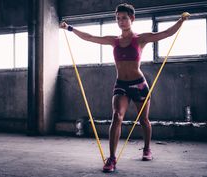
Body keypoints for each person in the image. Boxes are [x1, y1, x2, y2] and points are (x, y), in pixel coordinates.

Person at [60, 3, 189, 173]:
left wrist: (181, 21)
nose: (121, 21)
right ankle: (112, 159)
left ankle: (147, 149)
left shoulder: (140, 39)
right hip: (121, 84)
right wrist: (69, 28)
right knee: (116, 116)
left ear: (132, 19)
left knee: (144, 120)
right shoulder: (114, 41)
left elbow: (164, 34)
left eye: (124, 18)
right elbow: (90, 37)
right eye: (118, 18)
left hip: (139, 84)